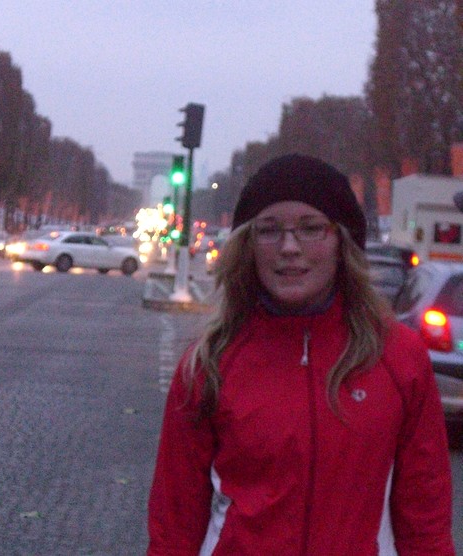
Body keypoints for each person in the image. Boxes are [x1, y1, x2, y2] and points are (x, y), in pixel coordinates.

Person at [147, 154, 455, 555]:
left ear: (342, 243)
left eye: (311, 229)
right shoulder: (208, 365)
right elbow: (174, 525)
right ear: (248, 245)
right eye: (269, 230)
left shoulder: (399, 358)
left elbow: (426, 521)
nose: (289, 248)